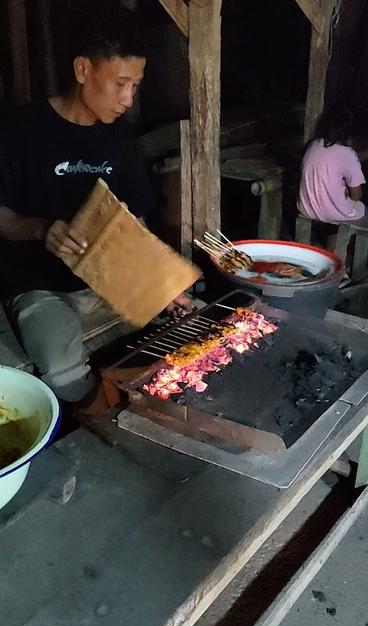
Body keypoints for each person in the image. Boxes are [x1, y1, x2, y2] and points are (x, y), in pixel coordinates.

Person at [0, 0, 192, 414]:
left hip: (106, 277)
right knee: (62, 370)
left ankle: (142, 410)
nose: (127, 98)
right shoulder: (21, 130)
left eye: (136, 86)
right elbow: (3, 218)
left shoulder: (119, 139)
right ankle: (104, 429)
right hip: (39, 285)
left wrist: (161, 281)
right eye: (120, 82)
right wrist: (41, 229)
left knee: (176, 336)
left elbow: (135, 222)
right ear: (83, 70)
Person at [297, 109, 367, 250]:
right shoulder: (348, 154)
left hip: (307, 208)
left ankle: (328, 251)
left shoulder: (312, 145)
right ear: (350, 135)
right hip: (330, 213)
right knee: (364, 212)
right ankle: (344, 260)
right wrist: (346, 190)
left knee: (333, 210)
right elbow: (357, 195)